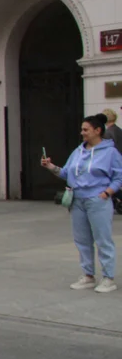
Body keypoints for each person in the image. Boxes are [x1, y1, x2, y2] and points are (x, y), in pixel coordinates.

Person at [42, 113, 122, 293]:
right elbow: (66, 173)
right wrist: (51, 167)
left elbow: (119, 176)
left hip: (98, 200)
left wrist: (106, 193)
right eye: (82, 129)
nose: (82, 133)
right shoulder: (78, 151)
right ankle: (88, 275)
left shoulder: (110, 152)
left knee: (103, 239)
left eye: (86, 129)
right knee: (82, 240)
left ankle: (108, 277)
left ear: (97, 130)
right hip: (77, 200)